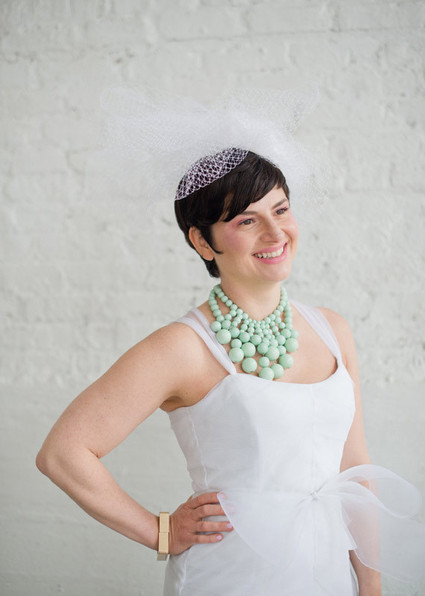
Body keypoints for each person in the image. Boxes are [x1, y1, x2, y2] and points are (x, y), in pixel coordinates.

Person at [37, 131, 424, 593]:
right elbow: (63, 453)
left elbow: (353, 467)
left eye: (281, 210)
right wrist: (160, 532)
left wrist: (371, 586)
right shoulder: (182, 347)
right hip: (229, 578)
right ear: (203, 242)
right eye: (247, 220)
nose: (275, 233)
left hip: (328, 577)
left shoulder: (333, 330)